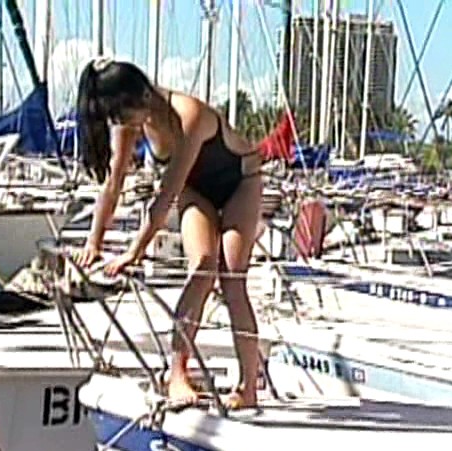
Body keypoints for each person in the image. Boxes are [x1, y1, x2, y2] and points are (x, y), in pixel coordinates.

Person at [73, 58, 292, 410]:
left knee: (232, 278)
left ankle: (248, 386)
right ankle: (177, 374)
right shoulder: (131, 121)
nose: (123, 124)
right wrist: (93, 242)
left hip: (241, 180)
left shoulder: (188, 114)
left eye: (123, 115)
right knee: (202, 267)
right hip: (197, 189)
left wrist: (135, 251)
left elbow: (165, 196)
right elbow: (113, 184)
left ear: (143, 96)